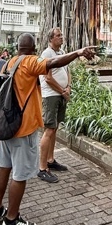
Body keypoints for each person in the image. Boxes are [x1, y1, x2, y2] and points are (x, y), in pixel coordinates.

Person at [0, 33, 97, 225]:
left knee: (2, 167)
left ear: (18, 46)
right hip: (23, 128)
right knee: (19, 176)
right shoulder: (30, 61)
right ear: (34, 47)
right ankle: (11, 221)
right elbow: (53, 62)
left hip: (6, 126)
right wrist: (78, 52)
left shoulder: (9, 62)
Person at [38, 27, 71, 183]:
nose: (61, 37)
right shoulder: (46, 54)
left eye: (61, 35)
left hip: (60, 94)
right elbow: (48, 78)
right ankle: (42, 168)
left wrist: (68, 87)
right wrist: (62, 91)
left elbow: (67, 71)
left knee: (55, 127)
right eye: (58, 35)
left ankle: (51, 159)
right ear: (51, 39)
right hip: (51, 95)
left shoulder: (62, 52)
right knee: (49, 129)